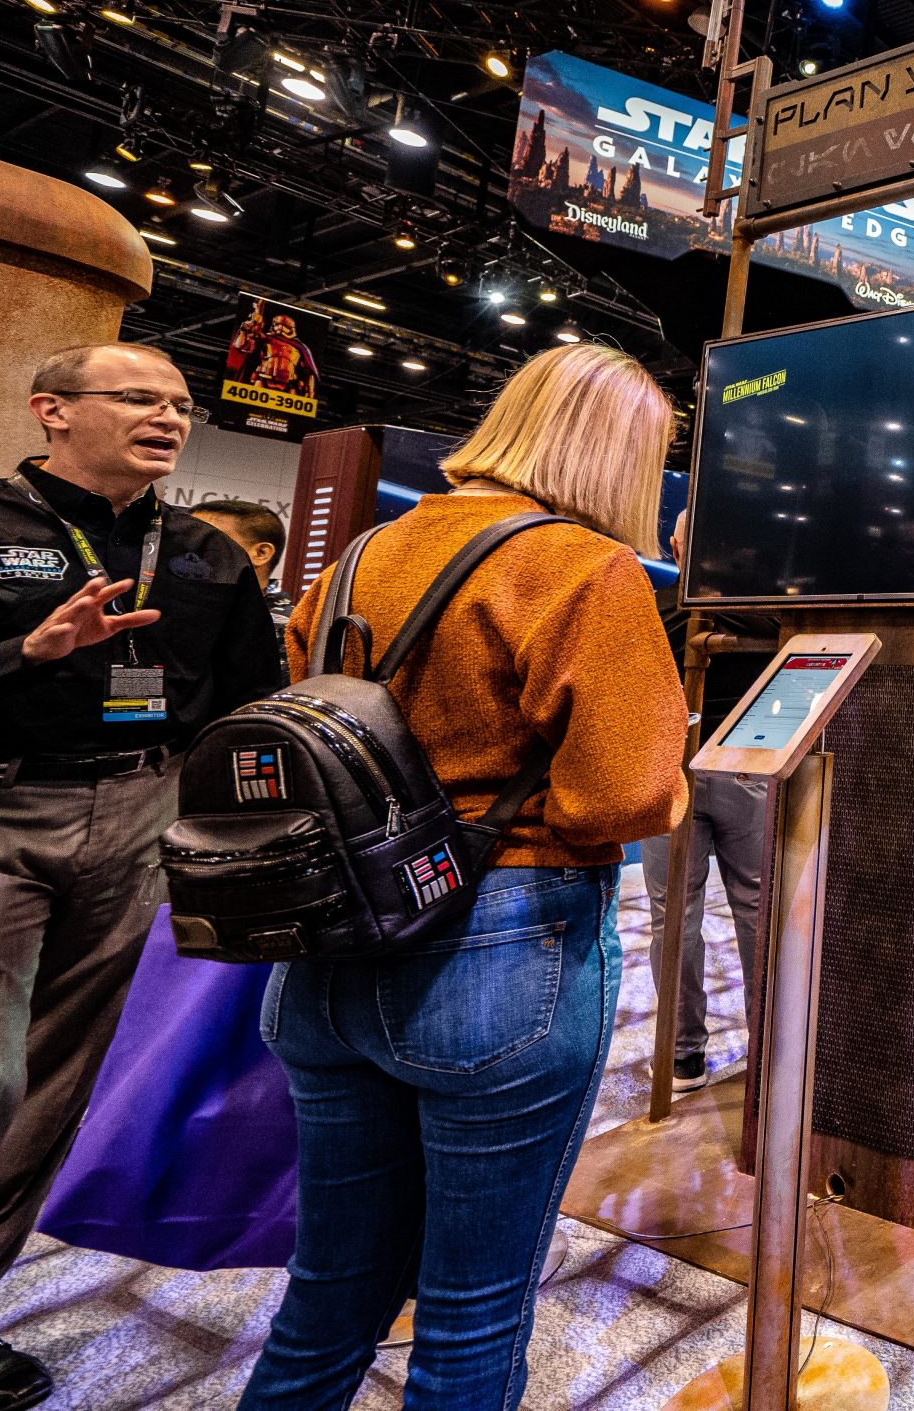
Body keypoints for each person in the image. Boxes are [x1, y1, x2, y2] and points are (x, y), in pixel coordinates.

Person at [239, 344, 687, 1408]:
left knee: (327, 1291)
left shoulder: (361, 555)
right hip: (503, 944)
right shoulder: (582, 566)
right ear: (621, 453)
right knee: (472, 1307)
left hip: (332, 940)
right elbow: (618, 800)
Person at [0, 343, 282, 1406]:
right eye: (139, 398)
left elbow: (248, 703)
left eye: (181, 405)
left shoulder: (206, 555)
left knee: (57, 1080)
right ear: (51, 409)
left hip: (143, 808)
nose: (169, 417)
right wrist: (24, 656)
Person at [641, 510, 770, 1094]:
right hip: (749, 767)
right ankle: (771, 1046)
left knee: (673, 914)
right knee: (759, 909)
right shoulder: (764, 611)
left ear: (675, 546)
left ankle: (682, 1057)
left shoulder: (653, 610)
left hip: (671, 771)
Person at [191, 497, 292, 631]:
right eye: (186, 539)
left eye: (208, 541)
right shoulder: (177, 608)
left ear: (261, 553)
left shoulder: (288, 629)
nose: (189, 551)